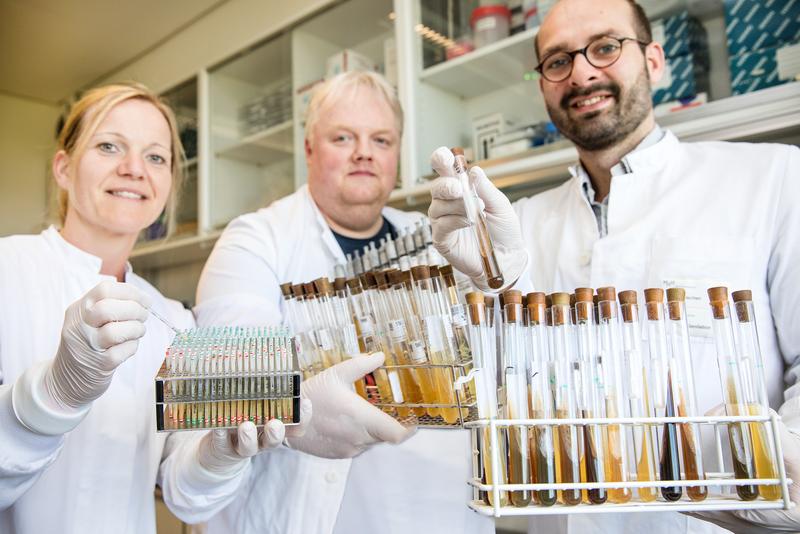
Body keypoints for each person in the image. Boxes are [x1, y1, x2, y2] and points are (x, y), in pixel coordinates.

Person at [427, 0, 800, 533]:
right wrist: (490, 282)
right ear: (543, 86)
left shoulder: (774, 178)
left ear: (654, 60)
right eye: (557, 61)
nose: (581, 72)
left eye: (605, 47)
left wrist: (787, 483)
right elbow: (500, 391)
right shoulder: (517, 224)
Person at [0, 81, 369, 533]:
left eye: (156, 157)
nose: (134, 169)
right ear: (63, 167)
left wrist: (220, 453)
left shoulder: (173, 319)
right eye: (109, 146)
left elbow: (187, 498)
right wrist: (53, 393)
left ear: (170, 181)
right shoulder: (8, 272)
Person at [195, 71, 493, 534]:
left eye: (381, 139)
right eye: (343, 137)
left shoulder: (439, 238)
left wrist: (499, 274)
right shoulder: (254, 239)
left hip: (439, 511)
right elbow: (223, 386)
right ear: (310, 148)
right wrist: (296, 411)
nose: (364, 152)